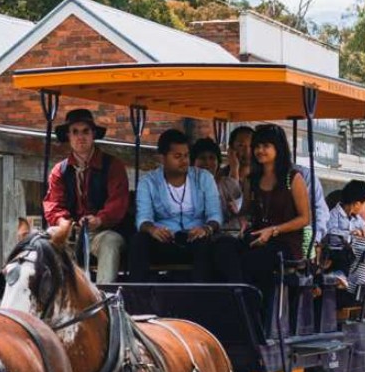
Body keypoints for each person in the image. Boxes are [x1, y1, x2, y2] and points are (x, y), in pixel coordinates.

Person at [130, 129, 240, 282]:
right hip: (163, 240)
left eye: (186, 155)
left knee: (205, 243)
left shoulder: (204, 178)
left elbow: (215, 215)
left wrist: (206, 229)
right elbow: (143, 218)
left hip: (195, 238)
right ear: (162, 158)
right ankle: (137, 294)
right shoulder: (148, 182)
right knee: (139, 240)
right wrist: (153, 230)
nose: (184, 161)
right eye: (177, 156)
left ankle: (198, 294)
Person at [42, 108, 129, 283]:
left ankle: (103, 294)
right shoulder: (60, 171)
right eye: (75, 132)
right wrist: (66, 223)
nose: (80, 137)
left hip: (103, 232)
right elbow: (53, 205)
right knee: (47, 240)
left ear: (93, 134)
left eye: (85, 131)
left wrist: (99, 219)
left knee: (110, 242)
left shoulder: (113, 166)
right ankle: (55, 294)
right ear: (68, 135)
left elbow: (118, 203)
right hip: (71, 233)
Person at [239, 123, 312, 318]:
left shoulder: (293, 178)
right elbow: (246, 212)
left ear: (278, 148)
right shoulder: (251, 180)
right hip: (257, 238)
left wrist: (274, 230)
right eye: (257, 146)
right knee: (226, 250)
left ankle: (259, 314)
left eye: (266, 146)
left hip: (285, 242)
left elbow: (305, 218)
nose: (260, 151)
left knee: (255, 259)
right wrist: (243, 222)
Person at [192, 137, 244, 229]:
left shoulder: (228, 185)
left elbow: (241, 212)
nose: (207, 162)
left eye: (212, 158)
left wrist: (236, 210)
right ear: (193, 162)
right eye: (202, 158)